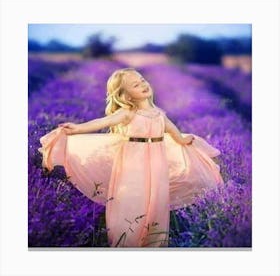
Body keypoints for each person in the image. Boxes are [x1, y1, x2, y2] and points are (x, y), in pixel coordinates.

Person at [38, 67, 224, 248]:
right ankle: (127, 241)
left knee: (157, 199)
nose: (143, 84)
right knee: (132, 199)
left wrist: (183, 140)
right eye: (135, 85)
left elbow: (174, 131)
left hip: (157, 164)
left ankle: (154, 242)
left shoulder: (159, 113)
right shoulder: (127, 113)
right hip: (133, 163)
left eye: (142, 80)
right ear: (126, 96)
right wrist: (78, 128)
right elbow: (102, 122)